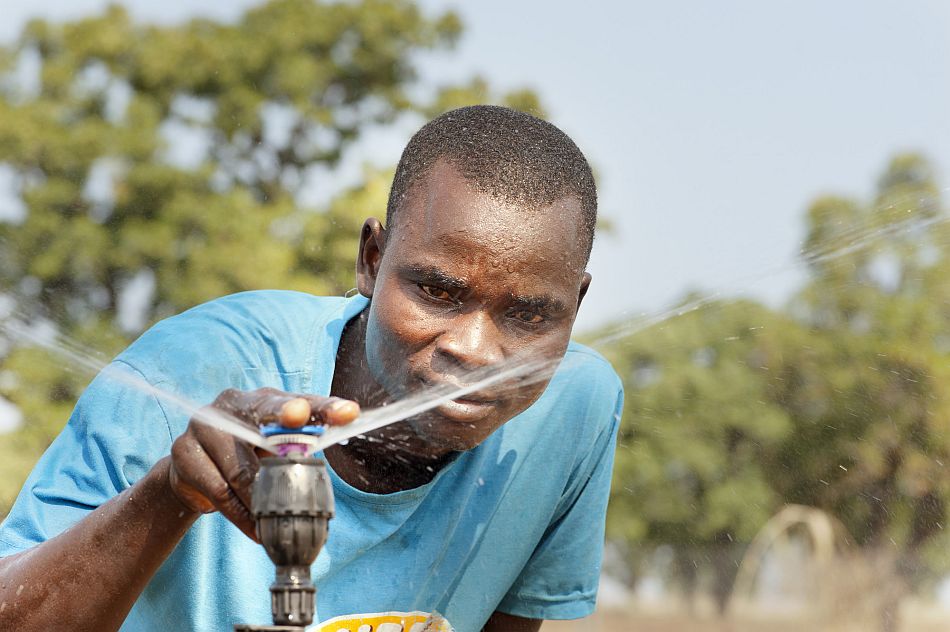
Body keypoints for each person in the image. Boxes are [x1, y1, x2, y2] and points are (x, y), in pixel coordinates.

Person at [0, 105, 623, 632]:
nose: (476, 352)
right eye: (437, 292)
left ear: (576, 305)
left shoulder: (573, 411)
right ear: (372, 261)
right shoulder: (187, 372)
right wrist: (170, 495)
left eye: (530, 315)